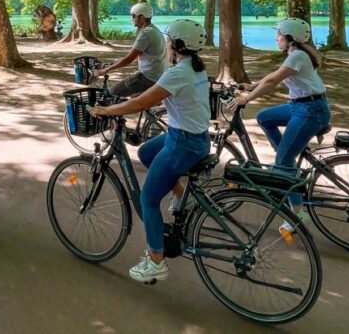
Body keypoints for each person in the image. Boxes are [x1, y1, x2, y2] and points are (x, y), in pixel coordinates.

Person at [91, 19, 210, 282]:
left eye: (169, 40)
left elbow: (145, 100)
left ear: (176, 45)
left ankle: (156, 260)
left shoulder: (176, 73)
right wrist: (134, 101)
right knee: (146, 152)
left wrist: (106, 110)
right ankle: (180, 196)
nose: (166, 43)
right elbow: (163, 97)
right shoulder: (195, 68)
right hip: (196, 138)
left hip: (182, 143)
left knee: (148, 199)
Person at [225, 17, 331, 233]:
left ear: (290, 38)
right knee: (265, 118)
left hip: (311, 110)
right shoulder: (295, 55)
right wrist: (253, 85)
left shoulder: (298, 56)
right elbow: (273, 76)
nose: (276, 38)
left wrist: (248, 98)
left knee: (283, 160)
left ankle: (297, 213)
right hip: (300, 106)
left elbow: (273, 81)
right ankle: (285, 158)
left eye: (279, 34)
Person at [96, 2, 166, 98]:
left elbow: (129, 59)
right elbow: (137, 56)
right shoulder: (154, 29)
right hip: (158, 75)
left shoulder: (146, 34)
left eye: (134, 16)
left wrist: (106, 70)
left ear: (142, 17)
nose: (132, 19)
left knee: (112, 93)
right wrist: (115, 64)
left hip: (148, 77)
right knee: (132, 98)